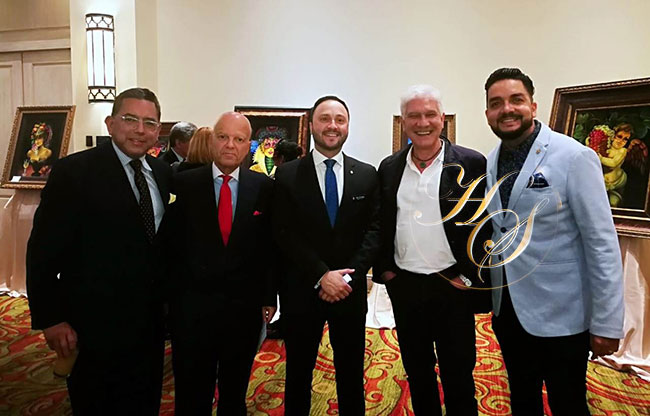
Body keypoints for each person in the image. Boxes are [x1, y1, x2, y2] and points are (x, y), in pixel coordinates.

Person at [483, 67, 624, 415]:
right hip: (509, 311)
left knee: (568, 402)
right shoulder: (491, 159)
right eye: (496, 103)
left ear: (533, 106)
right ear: (487, 113)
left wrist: (607, 322)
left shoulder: (574, 156)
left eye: (516, 100)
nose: (506, 109)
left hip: (563, 315)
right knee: (522, 398)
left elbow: (602, 243)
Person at [26, 88, 172, 415]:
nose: (140, 130)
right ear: (110, 123)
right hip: (93, 324)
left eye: (149, 123)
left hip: (148, 324)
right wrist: (51, 318)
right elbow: (43, 251)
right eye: (130, 119)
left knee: (144, 401)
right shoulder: (74, 172)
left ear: (157, 131)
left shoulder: (162, 174)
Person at [373, 85, 490, 416]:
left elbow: (485, 226)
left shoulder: (471, 162)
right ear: (403, 121)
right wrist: (387, 271)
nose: (422, 123)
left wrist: (471, 276)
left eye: (429, 115)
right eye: (414, 116)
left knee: (458, 372)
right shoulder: (389, 167)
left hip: (452, 286)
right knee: (417, 369)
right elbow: (381, 222)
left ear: (442, 118)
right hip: (405, 285)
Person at [272, 95, 379, 415]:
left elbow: (375, 230)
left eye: (339, 120)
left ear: (348, 126)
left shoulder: (366, 174)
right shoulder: (287, 175)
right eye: (325, 119)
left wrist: (348, 276)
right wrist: (321, 274)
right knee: (298, 372)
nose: (333, 126)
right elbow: (283, 232)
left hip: (349, 289)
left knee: (351, 372)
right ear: (312, 125)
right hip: (302, 289)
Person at [167, 111, 277, 415]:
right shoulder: (184, 183)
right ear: (211, 140)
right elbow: (170, 247)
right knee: (192, 391)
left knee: (234, 389)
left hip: (243, 308)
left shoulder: (264, 187)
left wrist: (269, 295)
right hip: (192, 308)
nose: (230, 145)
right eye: (223, 137)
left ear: (248, 145)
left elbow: (269, 247)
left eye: (239, 139)